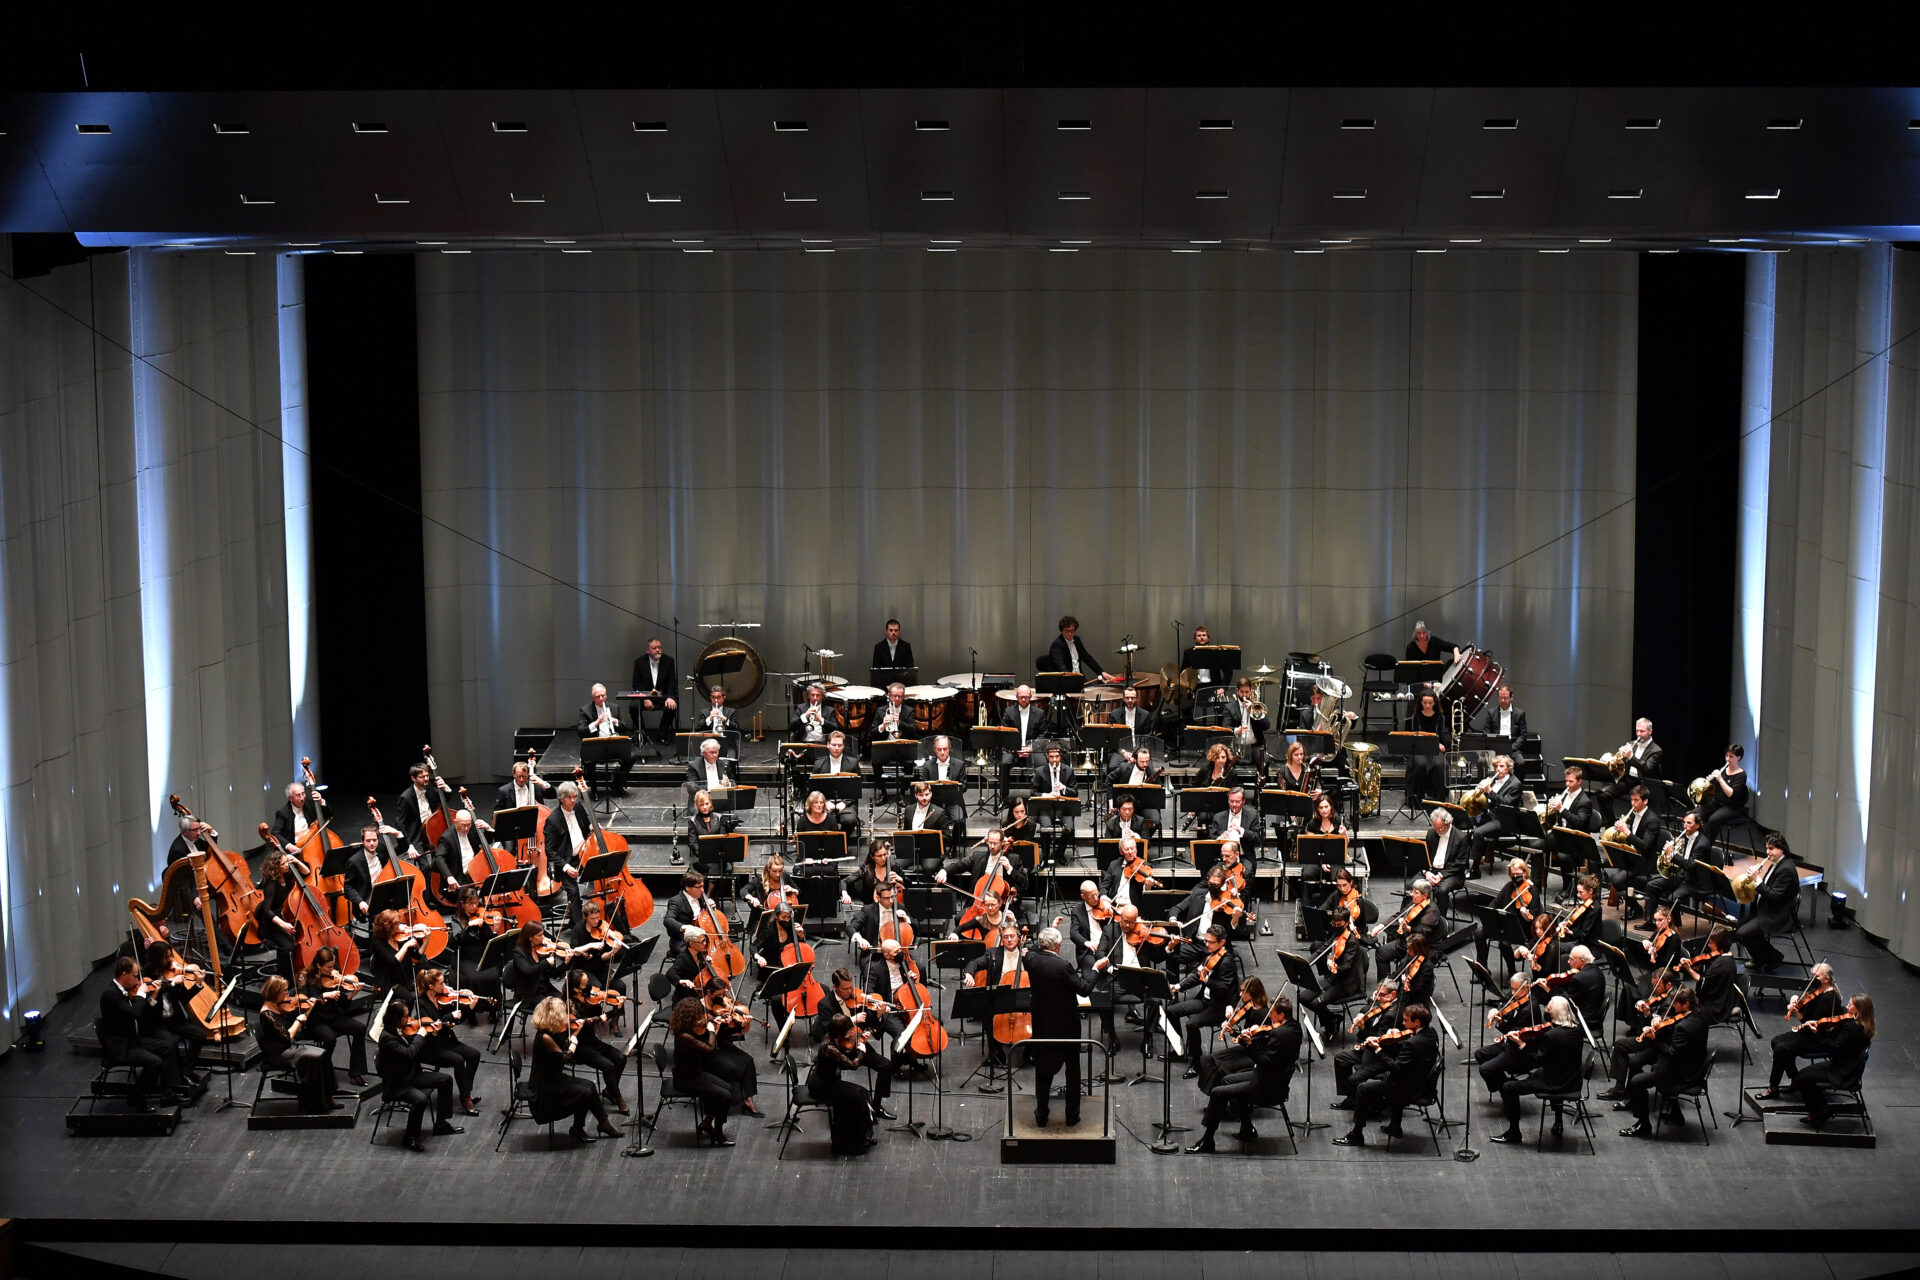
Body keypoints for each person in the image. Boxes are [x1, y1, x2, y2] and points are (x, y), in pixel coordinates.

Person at [1187, 993, 1300, 1152]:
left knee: (1218, 1092)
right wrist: (1244, 1037)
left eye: (1273, 1012)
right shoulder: (1294, 1027)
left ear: (1281, 1015)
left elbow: (1263, 1062)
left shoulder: (1278, 1034)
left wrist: (1249, 1045)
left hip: (1266, 1086)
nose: (1270, 1015)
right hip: (1275, 1078)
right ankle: (1247, 1128)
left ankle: (1208, 1140)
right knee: (1226, 1080)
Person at [1026, 926, 1102, 1128]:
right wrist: (1095, 970)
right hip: (1066, 1026)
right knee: (1073, 1071)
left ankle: (1041, 1114)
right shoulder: (1062, 966)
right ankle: (1071, 1115)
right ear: (1058, 946)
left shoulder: (1031, 960)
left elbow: (1032, 948)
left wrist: (1048, 931)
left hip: (1042, 1024)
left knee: (1043, 1071)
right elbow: (1084, 989)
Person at [1334, 1001, 1439, 1147]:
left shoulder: (1412, 1043)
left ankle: (1356, 1135)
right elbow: (1411, 1049)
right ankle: (1395, 1126)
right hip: (1423, 1083)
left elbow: (1396, 1068)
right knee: (1388, 1077)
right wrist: (1390, 1040)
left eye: (1406, 1020)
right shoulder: (1431, 1033)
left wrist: (1378, 1050)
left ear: (1416, 1022)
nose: (1402, 1023)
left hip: (1408, 1089)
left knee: (1363, 1089)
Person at [528, 996, 624, 1144]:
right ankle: (589, 1127)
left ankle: (594, 1125)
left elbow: (561, 1046)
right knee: (585, 1092)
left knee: (590, 1087)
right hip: (546, 1086)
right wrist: (574, 1043)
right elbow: (565, 1058)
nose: (565, 1018)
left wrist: (575, 1032)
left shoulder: (550, 1031)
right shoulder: (545, 1037)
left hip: (554, 1077)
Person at [1491, 994, 1586, 1143]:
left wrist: (1521, 1043)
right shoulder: (1578, 1031)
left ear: (1554, 1013)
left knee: (1508, 1087)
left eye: (1548, 1008)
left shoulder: (1552, 1036)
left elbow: (1537, 1061)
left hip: (1555, 1083)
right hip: (1573, 1080)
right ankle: (1558, 1122)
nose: (1546, 1010)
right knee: (1535, 1075)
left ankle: (1514, 1132)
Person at [1617, 985, 1708, 1138]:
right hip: (1695, 1066)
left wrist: (1654, 1040)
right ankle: (1675, 1114)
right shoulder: (1701, 1017)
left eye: (1676, 1004)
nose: (1673, 1007)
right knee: (1653, 1066)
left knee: (1636, 1081)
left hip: (1681, 1075)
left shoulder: (1684, 1027)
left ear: (1686, 1004)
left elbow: (1673, 1054)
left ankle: (1643, 1125)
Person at [810, 970, 900, 1118]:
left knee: (886, 1066)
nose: (850, 992)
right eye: (845, 989)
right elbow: (828, 1031)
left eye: (851, 987)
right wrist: (852, 1019)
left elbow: (867, 1021)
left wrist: (877, 1015)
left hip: (857, 1043)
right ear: (835, 987)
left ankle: (876, 1106)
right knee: (835, 1078)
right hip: (835, 1049)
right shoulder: (824, 1004)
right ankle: (840, 1112)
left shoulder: (856, 997)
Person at [375, 1000, 462, 1152]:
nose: (410, 1020)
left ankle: (441, 1124)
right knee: (420, 1100)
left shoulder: (400, 1029)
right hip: (398, 1083)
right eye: (406, 1017)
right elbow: (409, 1054)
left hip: (411, 1075)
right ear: (396, 1018)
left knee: (445, 1080)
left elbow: (419, 1051)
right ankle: (410, 1138)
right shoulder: (387, 1037)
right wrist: (421, 1036)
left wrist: (433, 1033)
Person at [99, 957, 182, 1110]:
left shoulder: (126, 991)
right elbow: (135, 1012)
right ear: (124, 975)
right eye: (135, 976)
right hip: (121, 1046)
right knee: (155, 1062)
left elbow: (144, 1011)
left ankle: (168, 1093)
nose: (138, 980)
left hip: (134, 1039)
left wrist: (154, 995)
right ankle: (136, 1096)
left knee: (168, 1046)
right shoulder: (110, 995)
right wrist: (142, 995)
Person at [256, 974, 341, 1113]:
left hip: (288, 1047)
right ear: (275, 992)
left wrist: (309, 1009)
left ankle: (328, 1096)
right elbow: (288, 1036)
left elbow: (294, 1025)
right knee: (315, 1057)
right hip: (279, 1053)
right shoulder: (267, 1014)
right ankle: (317, 1104)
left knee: (323, 1054)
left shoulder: (277, 1005)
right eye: (284, 990)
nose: (287, 993)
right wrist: (299, 1020)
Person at [1759, 963, 1843, 1097]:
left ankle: (1773, 1087)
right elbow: (1805, 1012)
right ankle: (1796, 1080)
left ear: (1826, 979)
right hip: (1808, 1032)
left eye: (1816, 976)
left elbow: (1811, 1024)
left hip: (1819, 1038)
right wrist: (1794, 1001)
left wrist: (1797, 1014)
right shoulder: (1818, 991)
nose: (1813, 979)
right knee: (1776, 1041)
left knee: (1781, 1049)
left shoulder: (1828, 999)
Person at [1790, 994, 1874, 1128]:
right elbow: (1842, 1041)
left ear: (1859, 1009)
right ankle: (1823, 1109)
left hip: (1843, 1071)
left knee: (1801, 1079)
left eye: (1851, 1004)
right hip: (1846, 1063)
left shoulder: (1853, 1027)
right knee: (1804, 1074)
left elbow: (1834, 1048)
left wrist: (1817, 1033)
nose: (1847, 1006)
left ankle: (1818, 1112)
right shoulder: (1861, 1024)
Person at [1164, 924, 1237, 1074]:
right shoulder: (1211, 955)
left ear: (1222, 942)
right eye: (1206, 940)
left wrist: (1206, 981)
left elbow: (1223, 988)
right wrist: (1178, 986)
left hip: (1218, 1006)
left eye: (1210, 942)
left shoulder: (1227, 962)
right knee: (1170, 1011)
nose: (1207, 944)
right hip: (1204, 1001)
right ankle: (1179, 1049)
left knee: (1192, 1024)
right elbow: (1197, 976)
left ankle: (1197, 1063)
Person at [669, 994, 738, 1144]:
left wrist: (714, 1026)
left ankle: (707, 1122)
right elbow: (709, 1049)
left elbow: (702, 1035)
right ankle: (718, 1133)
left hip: (695, 1073)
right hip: (685, 1079)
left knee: (728, 1089)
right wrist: (712, 1031)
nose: (702, 1018)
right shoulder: (684, 1036)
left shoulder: (689, 1028)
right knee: (724, 1096)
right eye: (698, 1015)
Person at [412, 969, 482, 1114]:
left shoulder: (441, 998)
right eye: (441, 983)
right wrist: (449, 1016)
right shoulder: (421, 1004)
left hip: (447, 1041)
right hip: (431, 1047)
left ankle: (466, 1092)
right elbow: (430, 1026)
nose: (445, 986)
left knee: (474, 1054)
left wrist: (470, 1007)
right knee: (458, 1060)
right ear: (431, 986)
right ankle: (466, 1099)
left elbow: (458, 1019)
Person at [298, 945, 369, 1085]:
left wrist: (353, 993)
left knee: (360, 1028)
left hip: (333, 1016)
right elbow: (302, 1001)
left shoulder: (333, 977)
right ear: (318, 965)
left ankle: (356, 1072)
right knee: (330, 1039)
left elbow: (343, 1004)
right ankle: (322, 1070)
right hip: (315, 1020)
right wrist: (323, 995)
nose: (333, 971)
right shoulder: (304, 977)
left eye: (333, 966)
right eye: (329, 967)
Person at [810, 1014, 879, 1154]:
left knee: (862, 1093)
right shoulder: (829, 1047)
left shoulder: (835, 1038)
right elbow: (852, 1065)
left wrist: (859, 1040)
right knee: (858, 1099)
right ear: (841, 1032)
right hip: (821, 1085)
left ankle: (859, 1138)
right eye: (849, 1030)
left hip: (829, 1081)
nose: (852, 1032)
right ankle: (853, 1144)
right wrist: (862, 1049)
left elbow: (846, 1051)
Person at [564, 968, 629, 1115]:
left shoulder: (590, 997)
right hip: (579, 1047)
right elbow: (582, 1024)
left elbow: (603, 1018)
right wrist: (599, 1018)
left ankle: (610, 1090)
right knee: (608, 1066)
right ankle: (618, 1098)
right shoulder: (570, 1004)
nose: (590, 986)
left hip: (592, 1041)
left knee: (621, 1058)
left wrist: (617, 1008)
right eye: (586, 983)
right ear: (576, 988)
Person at [1732, 833, 1800, 971]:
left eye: (1771, 849)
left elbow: (1774, 897)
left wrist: (1757, 879)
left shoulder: (1786, 869)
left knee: (1743, 933)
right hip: (1765, 909)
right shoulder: (1777, 863)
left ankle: (1772, 957)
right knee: (1738, 928)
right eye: (1767, 848)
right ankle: (1761, 958)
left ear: (1782, 849)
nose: (1768, 852)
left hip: (1777, 914)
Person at [1603, 785, 1666, 916]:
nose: (1633, 803)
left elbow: (1644, 845)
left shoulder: (1652, 820)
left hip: (1644, 861)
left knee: (1616, 881)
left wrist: (1626, 831)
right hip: (1631, 856)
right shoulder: (1633, 814)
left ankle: (1636, 908)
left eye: (1636, 800)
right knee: (1603, 862)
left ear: (1645, 801)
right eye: (1631, 800)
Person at [1645, 810, 1720, 912]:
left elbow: (1689, 865)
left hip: (1695, 883)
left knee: (1671, 899)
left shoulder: (1702, 844)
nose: (1685, 826)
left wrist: (1673, 853)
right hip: (1682, 876)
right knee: (1652, 885)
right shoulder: (1688, 837)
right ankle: (1651, 920)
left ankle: (1673, 925)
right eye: (1684, 823)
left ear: (1698, 825)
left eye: (1689, 823)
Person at [1464, 755, 1521, 870]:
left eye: (1501, 766)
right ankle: (1463, 864)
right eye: (1496, 766)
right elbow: (1486, 800)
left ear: (1508, 768)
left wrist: (1489, 791)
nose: (1498, 769)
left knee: (1478, 833)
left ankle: (1475, 869)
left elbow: (1505, 803)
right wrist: (1479, 791)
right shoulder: (1493, 779)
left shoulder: (1515, 784)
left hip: (1503, 820)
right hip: (1489, 815)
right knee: (1464, 824)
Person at [1600, 717, 1664, 818]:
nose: (1638, 734)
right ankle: (1610, 825)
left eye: (1642, 731)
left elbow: (1647, 769)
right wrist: (1621, 757)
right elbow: (1624, 764)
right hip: (1627, 781)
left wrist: (1630, 757)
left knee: (1636, 803)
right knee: (1603, 794)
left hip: (1642, 784)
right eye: (1637, 731)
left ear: (1650, 731)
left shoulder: (1656, 750)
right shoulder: (1631, 744)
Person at [575, 683, 633, 790]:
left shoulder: (614, 708)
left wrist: (614, 720)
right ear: (592, 697)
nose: (601, 698)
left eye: (603, 695)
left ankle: (616, 785)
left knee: (630, 758)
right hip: (595, 749)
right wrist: (596, 723)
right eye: (598, 696)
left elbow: (624, 727)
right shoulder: (585, 710)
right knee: (589, 762)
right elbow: (581, 732)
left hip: (613, 746)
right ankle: (594, 790)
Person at [1411, 808, 1467, 912]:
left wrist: (1440, 876)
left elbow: (1459, 863)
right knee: (1412, 884)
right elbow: (1424, 855)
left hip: (1451, 874)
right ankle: (1411, 918)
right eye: (1435, 827)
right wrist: (1426, 872)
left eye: (1440, 828)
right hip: (1432, 871)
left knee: (1441, 890)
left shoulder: (1461, 837)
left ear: (1448, 823)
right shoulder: (1432, 833)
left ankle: (1440, 923)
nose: (1437, 831)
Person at [1404, 690, 1451, 804]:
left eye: (1430, 703)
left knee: (1440, 765)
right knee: (1420, 765)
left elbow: (1440, 736)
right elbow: (1414, 735)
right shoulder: (1416, 716)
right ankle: (1417, 799)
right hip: (1420, 748)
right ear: (1421, 703)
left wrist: (1440, 744)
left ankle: (1439, 799)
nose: (1427, 706)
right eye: (1425, 703)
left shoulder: (1440, 717)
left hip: (1435, 748)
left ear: (1434, 703)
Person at [630, 636, 679, 743]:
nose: (658, 650)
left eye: (659, 648)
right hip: (645, 695)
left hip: (661, 696)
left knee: (672, 706)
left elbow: (672, 682)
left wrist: (670, 697)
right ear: (648, 650)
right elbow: (636, 684)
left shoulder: (669, 661)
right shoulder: (639, 662)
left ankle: (661, 735)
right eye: (654, 648)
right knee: (633, 707)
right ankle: (642, 735)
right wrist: (645, 699)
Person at [1000, 685, 1047, 797]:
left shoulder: (1040, 713)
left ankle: (1040, 796)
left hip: (1033, 749)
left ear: (1030, 697)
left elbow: (1043, 734)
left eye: (1026, 697)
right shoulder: (1009, 712)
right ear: (1017, 697)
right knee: (1004, 763)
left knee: (1043, 764)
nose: (1024, 699)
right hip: (1013, 749)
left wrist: (1031, 748)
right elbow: (1005, 734)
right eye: (1021, 697)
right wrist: (1016, 748)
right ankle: (1004, 797)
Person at [1697, 744, 1750, 840]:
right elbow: (1713, 790)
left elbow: (1731, 794)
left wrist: (1720, 779)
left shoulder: (1741, 775)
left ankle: (1705, 846)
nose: (1727, 759)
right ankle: (1695, 841)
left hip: (1733, 807)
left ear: (1738, 758)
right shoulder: (1723, 770)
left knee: (1713, 820)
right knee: (1695, 815)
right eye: (1726, 756)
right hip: (1717, 803)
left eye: (1731, 756)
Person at [916, 735, 969, 829]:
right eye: (939, 749)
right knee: (930, 820)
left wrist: (954, 786)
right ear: (935, 750)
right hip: (934, 802)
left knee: (958, 820)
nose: (942, 752)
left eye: (945, 749)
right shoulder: (927, 765)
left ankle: (954, 843)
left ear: (950, 749)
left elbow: (964, 786)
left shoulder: (959, 764)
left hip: (953, 802)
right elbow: (922, 785)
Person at [396, 763, 449, 858]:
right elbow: (400, 824)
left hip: (432, 828)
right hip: (417, 833)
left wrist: (444, 787)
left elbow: (445, 799)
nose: (426, 779)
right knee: (425, 866)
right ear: (413, 778)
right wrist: (409, 845)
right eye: (421, 777)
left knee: (443, 855)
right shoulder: (405, 797)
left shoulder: (429, 788)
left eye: (427, 775)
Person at [684, 789, 740, 877]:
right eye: (701, 805)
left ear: (710, 803)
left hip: (718, 856)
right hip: (701, 857)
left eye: (706, 803)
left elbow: (723, 839)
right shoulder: (692, 821)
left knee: (716, 864)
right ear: (697, 806)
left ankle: (709, 891)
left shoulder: (719, 818)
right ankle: (711, 890)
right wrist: (707, 855)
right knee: (714, 865)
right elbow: (693, 844)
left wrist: (715, 855)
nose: (705, 807)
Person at [1048, 615, 1109, 680]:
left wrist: (1102, 672)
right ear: (1061, 631)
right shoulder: (1057, 645)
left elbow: (1087, 658)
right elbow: (1061, 667)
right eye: (1067, 631)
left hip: (1080, 678)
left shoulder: (1077, 640)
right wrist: (1073, 681)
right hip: (1066, 681)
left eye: (1072, 631)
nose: (1070, 634)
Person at [683, 738, 735, 813]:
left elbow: (733, 783)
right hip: (701, 801)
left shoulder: (725, 764)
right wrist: (714, 787)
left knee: (732, 818)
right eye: (711, 752)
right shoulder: (694, 766)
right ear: (703, 753)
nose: (714, 755)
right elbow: (691, 787)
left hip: (720, 800)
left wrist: (728, 784)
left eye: (716, 752)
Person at [1211, 786, 1263, 860]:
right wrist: (1220, 838)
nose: (1234, 804)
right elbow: (1212, 838)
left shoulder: (1252, 816)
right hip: (1223, 858)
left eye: (1238, 802)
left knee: (1246, 871)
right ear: (1228, 800)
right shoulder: (1218, 817)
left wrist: (1241, 831)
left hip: (1244, 857)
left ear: (1244, 801)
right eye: (1231, 801)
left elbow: (1257, 839)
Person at [268, 780, 323, 849]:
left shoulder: (310, 804)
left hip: (314, 842)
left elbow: (328, 815)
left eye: (303, 794)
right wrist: (288, 845)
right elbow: (275, 833)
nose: (302, 798)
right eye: (298, 795)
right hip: (297, 846)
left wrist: (321, 801)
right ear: (290, 798)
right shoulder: (283, 812)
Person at [870, 618, 915, 684]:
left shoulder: (906, 646)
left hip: (902, 684)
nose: (893, 633)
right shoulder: (879, 647)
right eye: (891, 630)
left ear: (899, 631)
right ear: (886, 631)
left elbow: (910, 668)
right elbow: (876, 670)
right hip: (883, 685)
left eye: (896, 630)